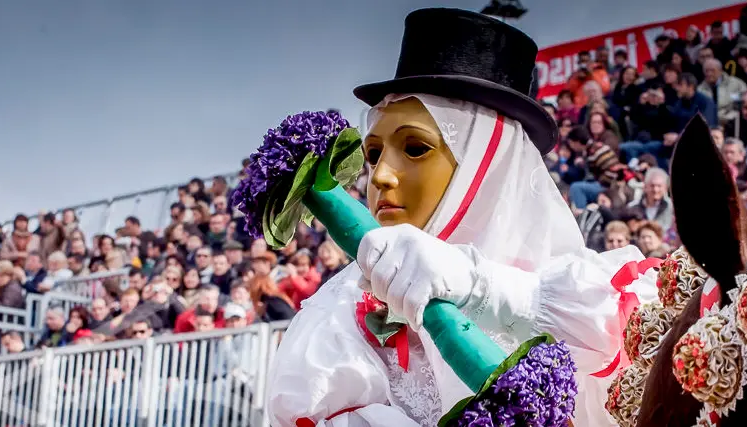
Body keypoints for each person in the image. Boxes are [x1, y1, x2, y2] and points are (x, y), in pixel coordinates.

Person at [267, 9, 657, 427]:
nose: (379, 176)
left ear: (484, 168)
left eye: (415, 148)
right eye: (374, 154)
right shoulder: (338, 314)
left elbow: (654, 369)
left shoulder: (583, 292)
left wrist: (486, 290)